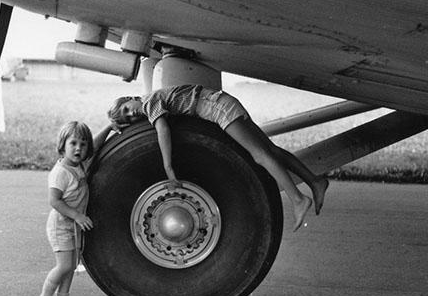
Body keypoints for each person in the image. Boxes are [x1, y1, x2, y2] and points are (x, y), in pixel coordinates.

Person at [107, 84, 329, 232]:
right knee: (271, 151)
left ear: (131, 98)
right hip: (222, 102)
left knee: (260, 155)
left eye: (126, 108)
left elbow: (162, 129)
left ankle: (298, 199)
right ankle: (315, 181)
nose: (131, 114)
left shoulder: (149, 102)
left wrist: (168, 166)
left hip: (218, 109)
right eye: (127, 118)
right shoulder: (150, 103)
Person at [36, 121, 112, 296]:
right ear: (62, 145)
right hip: (61, 225)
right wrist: (77, 215)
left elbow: (95, 145)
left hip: (73, 226)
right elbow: (54, 201)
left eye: (83, 144)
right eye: (73, 143)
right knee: (64, 266)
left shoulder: (79, 165)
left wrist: (109, 126)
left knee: (72, 264)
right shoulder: (60, 172)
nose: (79, 148)